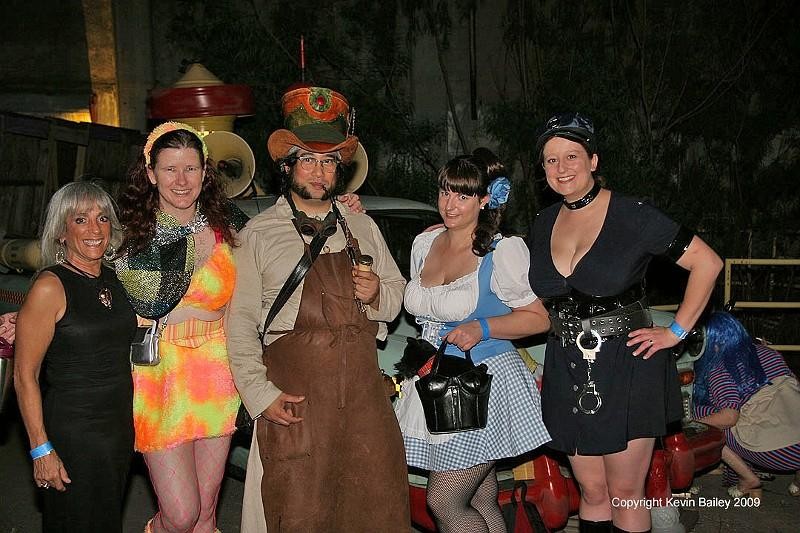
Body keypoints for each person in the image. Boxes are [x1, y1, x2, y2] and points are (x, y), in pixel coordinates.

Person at [527, 113, 723, 533]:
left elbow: (707, 263)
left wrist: (676, 332)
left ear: (593, 160)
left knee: (624, 492)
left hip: (627, 362)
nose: (562, 168)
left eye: (572, 156)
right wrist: (457, 236)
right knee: (591, 491)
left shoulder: (633, 214)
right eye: (551, 160)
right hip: (568, 364)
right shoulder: (543, 223)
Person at [226, 86, 410, 532]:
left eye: (328, 162)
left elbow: (396, 291)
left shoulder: (361, 225)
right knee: (298, 511)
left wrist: (377, 295)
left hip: (364, 400)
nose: (319, 171)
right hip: (297, 402)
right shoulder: (258, 234)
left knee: (375, 509)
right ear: (288, 166)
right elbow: (240, 323)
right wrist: (260, 396)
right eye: (308, 159)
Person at [394, 148, 552, 532]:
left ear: (484, 200)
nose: (450, 204)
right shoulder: (425, 243)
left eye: (463, 195)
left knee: (444, 501)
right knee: (479, 496)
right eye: (445, 192)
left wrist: (482, 327)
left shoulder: (502, 250)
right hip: (437, 377)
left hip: (483, 382)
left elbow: (538, 318)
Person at [116, 121, 248, 533]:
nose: (181, 180)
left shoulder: (229, 223)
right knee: (180, 513)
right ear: (151, 173)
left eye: (191, 168)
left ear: (205, 172)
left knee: (206, 515)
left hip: (217, 373)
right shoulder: (130, 232)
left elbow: (284, 239)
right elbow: (90, 279)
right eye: (170, 169)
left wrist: (342, 206)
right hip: (160, 374)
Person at [13, 181, 136, 532]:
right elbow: (24, 376)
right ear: (62, 231)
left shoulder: (116, 280)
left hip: (117, 429)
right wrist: (40, 449)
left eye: (102, 218)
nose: (94, 229)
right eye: (81, 220)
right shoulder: (50, 286)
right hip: (74, 432)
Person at [693, 311, 800, 499]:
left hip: (781, 453)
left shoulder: (719, 369)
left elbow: (729, 417)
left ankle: (748, 480)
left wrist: (691, 424)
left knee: (706, 419)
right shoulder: (769, 352)